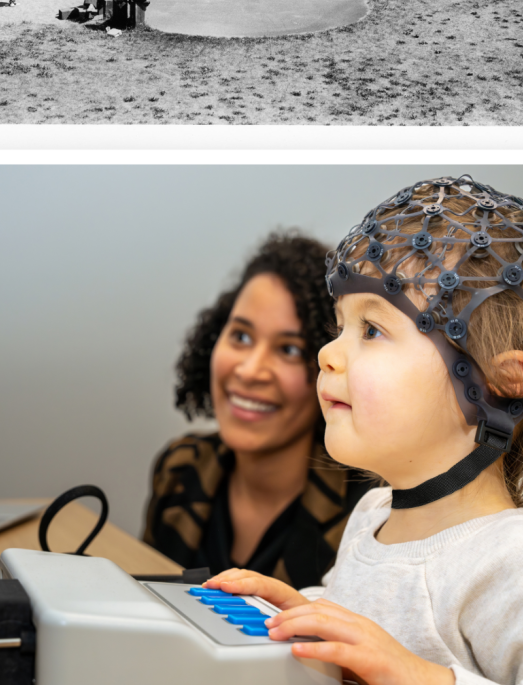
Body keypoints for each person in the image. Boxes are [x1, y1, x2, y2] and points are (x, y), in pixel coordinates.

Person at [198, 175, 523, 685]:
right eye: (339, 326)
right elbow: (362, 627)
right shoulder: (374, 515)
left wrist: (427, 682)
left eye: (371, 330)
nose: (328, 353)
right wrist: (301, 612)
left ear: (497, 381)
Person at [144, 234, 371, 589]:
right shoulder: (180, 468)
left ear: (330, 364)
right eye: (242, 337)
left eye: (290, 350)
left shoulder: (368, 516)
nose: (250, 371)